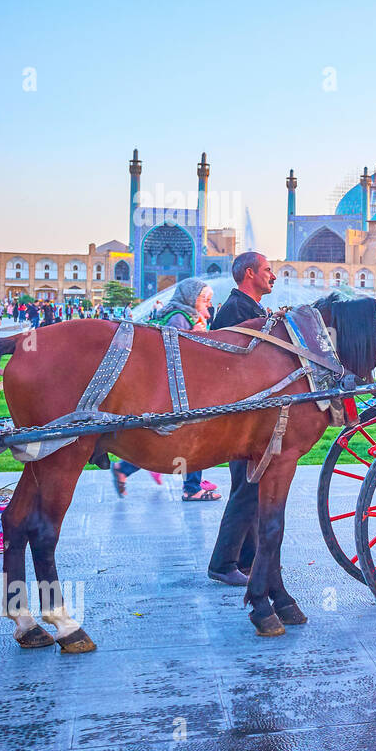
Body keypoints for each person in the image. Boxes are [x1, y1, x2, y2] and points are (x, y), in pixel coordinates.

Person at [111, 278, 222, 502]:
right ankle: (192, 488)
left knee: (174, 437)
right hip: (177, 388)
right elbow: (173, 351)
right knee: (193, 436)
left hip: (176, 387)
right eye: (204, 299)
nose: (208, 304)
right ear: (191, 298)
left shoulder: (184, 315)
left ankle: (126, 468)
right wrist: (198, 334)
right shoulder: (179, 317)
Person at [207, 251, 276, 586]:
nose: (273, 275)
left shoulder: (249, 308)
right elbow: (224, 361)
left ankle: (246, 560)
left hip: (250, 411)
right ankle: (223, 563)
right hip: (239, 413)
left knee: (249, 486)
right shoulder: (235, 310)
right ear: (250, 274)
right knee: (248, 486)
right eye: (267, 270)